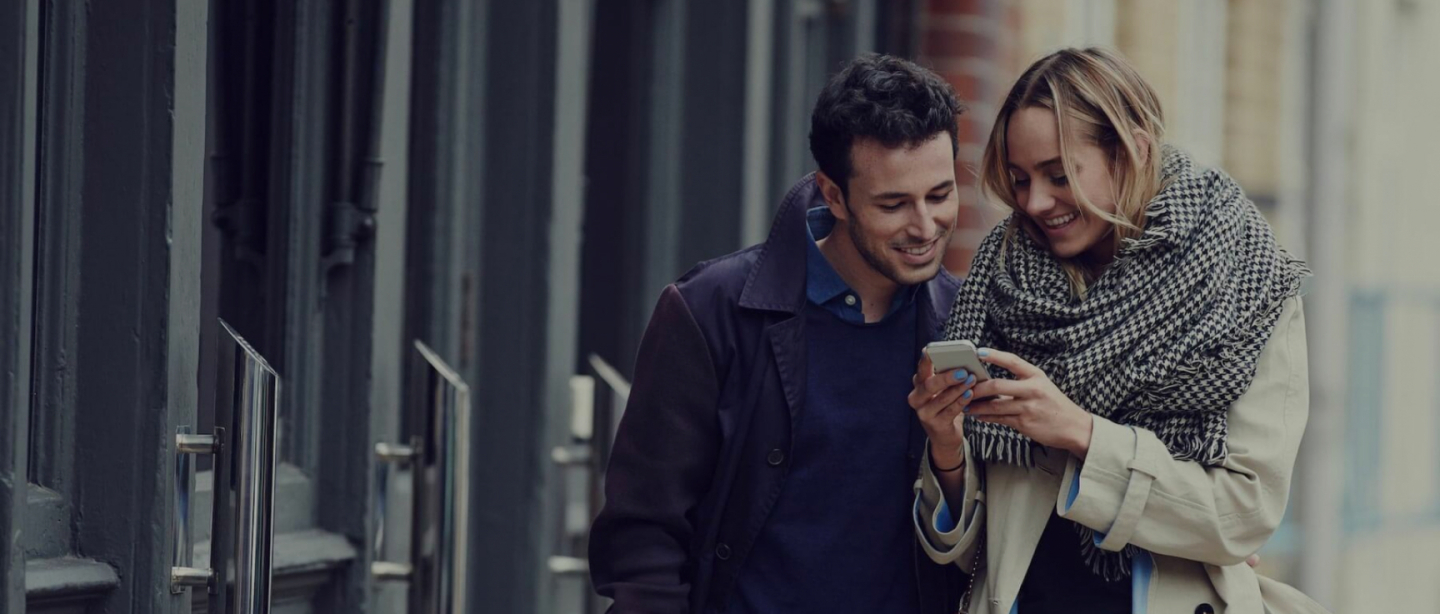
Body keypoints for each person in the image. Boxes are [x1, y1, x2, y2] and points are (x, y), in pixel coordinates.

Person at [908, 48, 1329, 614]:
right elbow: (968, 554)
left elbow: (1243, 513)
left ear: (1134, 148)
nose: (1035, 202)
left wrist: (1080, 432)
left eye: (1060, 175)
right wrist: (947, 449)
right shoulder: (1000, 284)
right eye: (1020, 178)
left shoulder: (1243, 279)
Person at [589, 54, 967, 614]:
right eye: (893, 204)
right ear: (833, 195)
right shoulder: (710, 312)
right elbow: (645, 532)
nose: (924, 226)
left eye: (939, 195)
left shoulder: (965, 323)